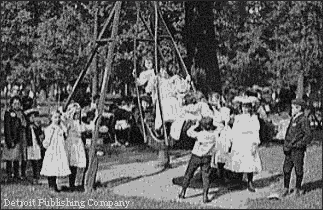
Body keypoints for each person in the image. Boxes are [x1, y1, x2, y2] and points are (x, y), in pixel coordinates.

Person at [178, 116, 222, 203]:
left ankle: (183, 191)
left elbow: (188, 132)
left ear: (202, 126)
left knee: (189, 173)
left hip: (196, 156)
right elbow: (220, 127)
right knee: (206, 177)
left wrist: (195, 125)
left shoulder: (200, 134)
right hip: (207, 157)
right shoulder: (214, 134)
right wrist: (214, 124)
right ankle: (205, 196)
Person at [224, 99, 262, 192]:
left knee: (249, 162)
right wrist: (231, 141)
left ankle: (250, 182)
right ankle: (239, 182)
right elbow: (234, 130)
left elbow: (256, 131)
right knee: (239, 161)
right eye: (243, 107)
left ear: (250, 107)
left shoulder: (253, 118)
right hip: (239, 141)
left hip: (248, 141)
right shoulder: (238, 117)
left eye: (247, 107)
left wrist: (254, 144)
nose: (245, 109)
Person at [281, 98, 312, 197]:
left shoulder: (304, 119)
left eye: (293, 107)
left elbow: (308, 136)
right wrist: (286, 144)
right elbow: (289, 133)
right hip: (289, 149)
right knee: (286, 169)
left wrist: (299, 145)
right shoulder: (293, 118)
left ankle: (298, 188)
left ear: (299, 108)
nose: (292, 109)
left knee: (298, 169)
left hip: (297, 150)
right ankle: (286, 188)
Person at [64, 103, 96, 191]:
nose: (77, 115)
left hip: (78, 143)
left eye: (78, 113)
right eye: (76, 114)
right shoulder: (70, 122)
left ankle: (80, 183)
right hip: (71, 144)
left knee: (80, 163)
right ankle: (71, 184)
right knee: (72, 164)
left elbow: (88, 127)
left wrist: (94, 120)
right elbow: (64, 124)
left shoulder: (79, 123)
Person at [40, 110, 71, 193]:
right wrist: (45, 145)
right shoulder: (50, 128)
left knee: (56, 167)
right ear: (51, 118)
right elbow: (47, 141)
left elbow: (65, 136)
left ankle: (55, 185)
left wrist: (63, 126)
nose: (57, 119)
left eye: (58, 117)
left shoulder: (60, 127)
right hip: (52, 150)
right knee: (51, 168)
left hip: (59, 150)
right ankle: (51, 186)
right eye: (55, 117)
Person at [3, 95, 28, 182]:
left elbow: (25, 124)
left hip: (20, 137)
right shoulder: (8, 113)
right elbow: (7, 128)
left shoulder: (22, 113)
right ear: (12, 105)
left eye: (18, 103)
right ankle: (9, 174)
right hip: (12, 137)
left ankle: (17, 174)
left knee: (17, 157)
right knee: (10, 157)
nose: (16, 105)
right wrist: (9, 140)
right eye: (15, 103)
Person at [25, 108, 44, 185]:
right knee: (31, 161)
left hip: (36, 146)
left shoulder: (37, 127)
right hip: (30, 146)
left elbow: (40, 135)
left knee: (36, 162)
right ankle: (30, 176)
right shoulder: (27, 127)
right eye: (31, 117)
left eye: (34, 117)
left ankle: (36, 177)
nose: (33, 119)